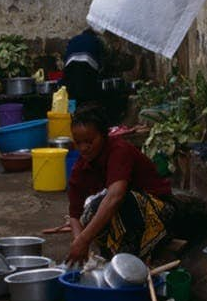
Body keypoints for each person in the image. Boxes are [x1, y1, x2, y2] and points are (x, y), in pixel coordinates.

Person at [43, 105, 174, 265]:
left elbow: (115, 196)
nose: (83, 148)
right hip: (130, 215)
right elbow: (75, 214)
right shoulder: (81, 166)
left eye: (89, 141)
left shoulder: (119, 151)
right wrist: (78, 241)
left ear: (103, 136)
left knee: (115, 201)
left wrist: (84, 240)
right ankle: (115, 255)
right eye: (78, 142)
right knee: (90, 212)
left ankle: (135, 257)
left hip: (159, 211)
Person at [62, 27, 104, 104]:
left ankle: (72, 111)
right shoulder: (96, 40)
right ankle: (86, 108)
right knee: (87, 90)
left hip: (70, 64)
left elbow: (65, 56)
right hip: (87, 65)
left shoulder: (74, 39)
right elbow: (101, 60)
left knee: (71, 90)